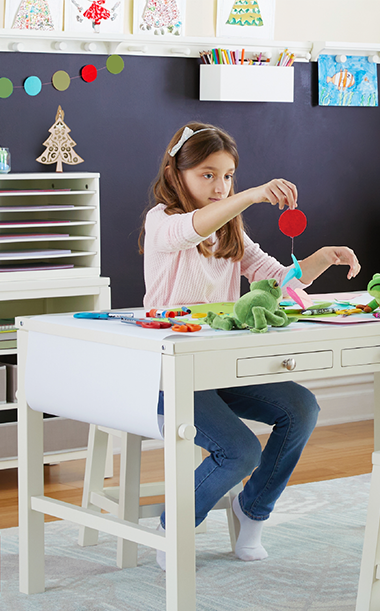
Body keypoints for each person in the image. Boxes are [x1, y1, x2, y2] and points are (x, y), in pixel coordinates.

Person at [141, 122, 360, 569]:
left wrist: (324, 257)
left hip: (219, 366)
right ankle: (174, 528)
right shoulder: (162, 222)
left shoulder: (230, 233)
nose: (220, 187)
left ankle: (252, 512)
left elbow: (279, 281)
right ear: (177, 173)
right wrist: (253, 195)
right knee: (240, 451)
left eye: (227, 176)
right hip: (169, 372)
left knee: (301, 408)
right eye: (207, 174)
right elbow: (190, 230)